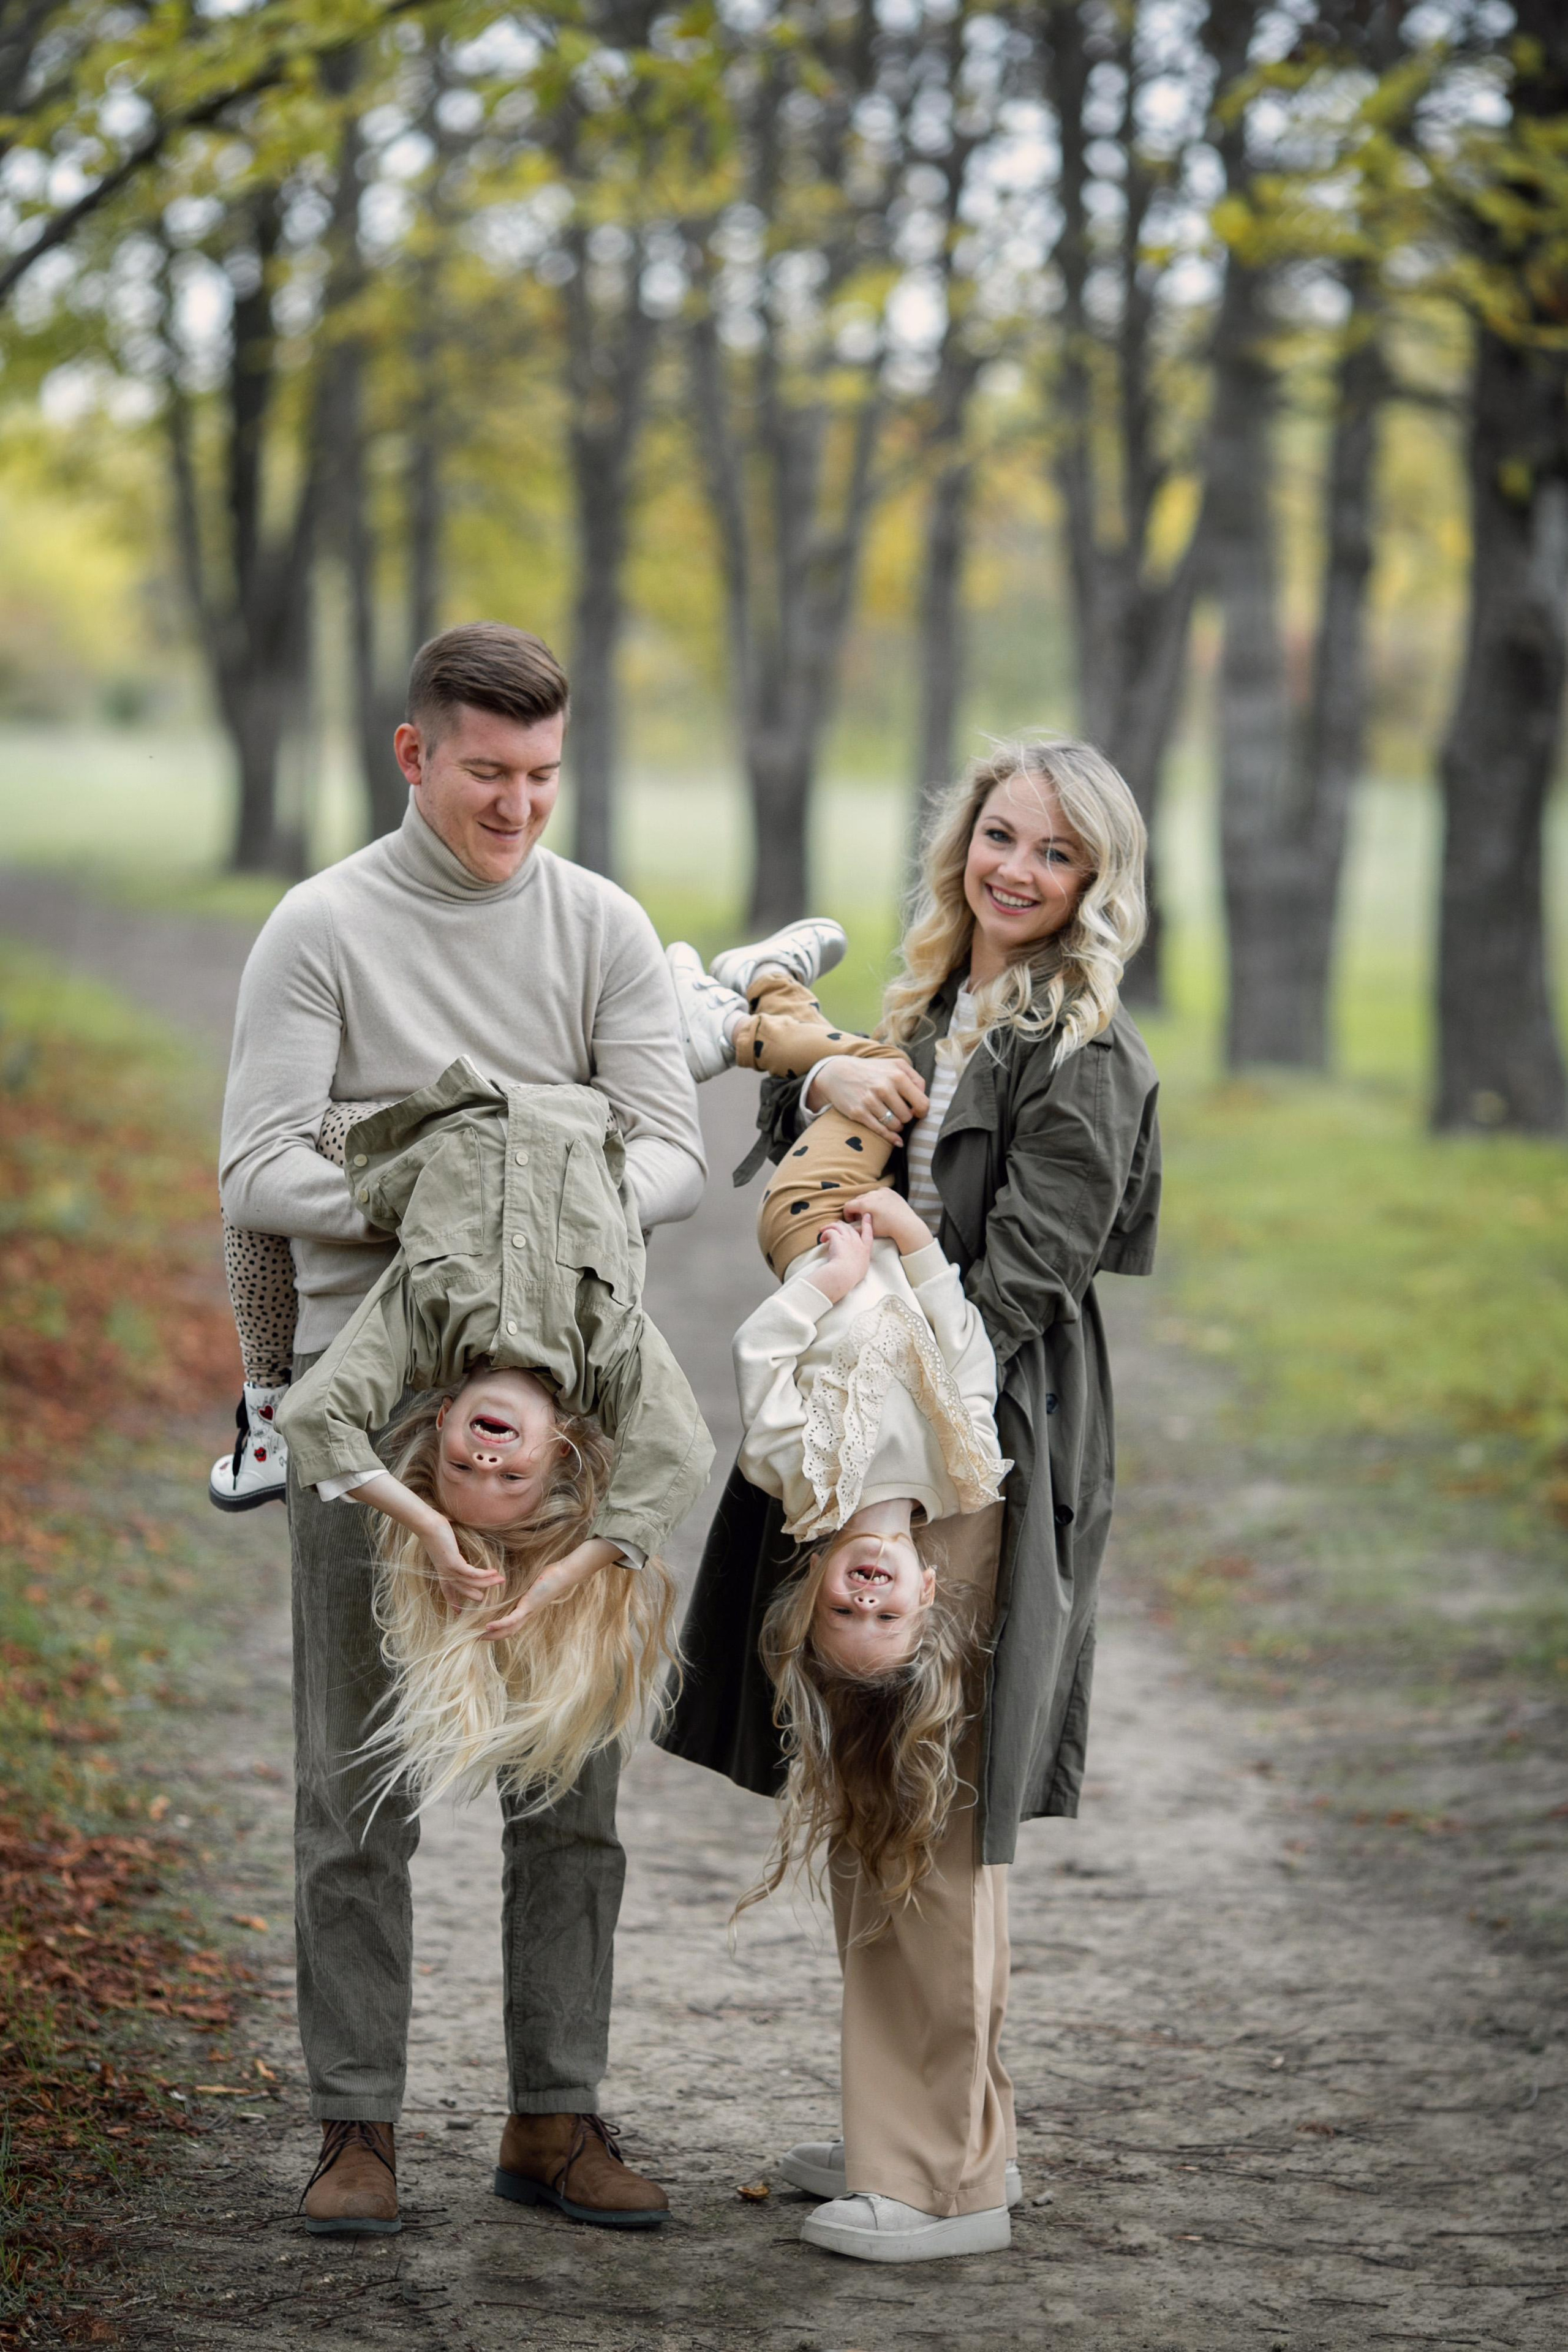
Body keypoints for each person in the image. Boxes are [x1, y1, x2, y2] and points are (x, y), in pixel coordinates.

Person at [219, 622, 706, 2237]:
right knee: (355, 1778)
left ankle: (554, 2117)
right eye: (488, 772)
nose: (518, 806)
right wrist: (449, 1186)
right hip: (369, 1398)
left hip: (561, 1396)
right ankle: (355, 2129)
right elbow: (258, 1170)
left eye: (544, 775)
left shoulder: (602, 927)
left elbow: (671, 1154)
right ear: (414, 754)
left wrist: (540, 1199)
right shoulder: (320, 929)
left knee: (569, 1776)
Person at [660, 737, 1162, 2263]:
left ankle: (939, 2180)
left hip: (967, 1441)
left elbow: (1027, 1279)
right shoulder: (933, 1011)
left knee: (930, 1798)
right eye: (998, 834)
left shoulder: (1081, 1049)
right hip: (879, 1421)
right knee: (873, 1776)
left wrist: (892, 1306)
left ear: (1095, 883)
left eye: (1055, 853)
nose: (1015, 869)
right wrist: (825, 1073)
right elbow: (813, 1163)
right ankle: (921, 2130)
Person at [271, 1063, 710, 1820]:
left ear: (442, 1420)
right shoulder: (605, 1351)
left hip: (439, 1096)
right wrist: (572, 1569)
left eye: (458, 1469)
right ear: (560, 1450)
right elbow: (679, 1447)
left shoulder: (421, 1328)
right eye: (511, 1479)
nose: (485, 1462)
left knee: (250, 1196)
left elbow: (314, 1416)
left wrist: (429, 1527)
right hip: (571, 1087)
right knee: (706, 1031)